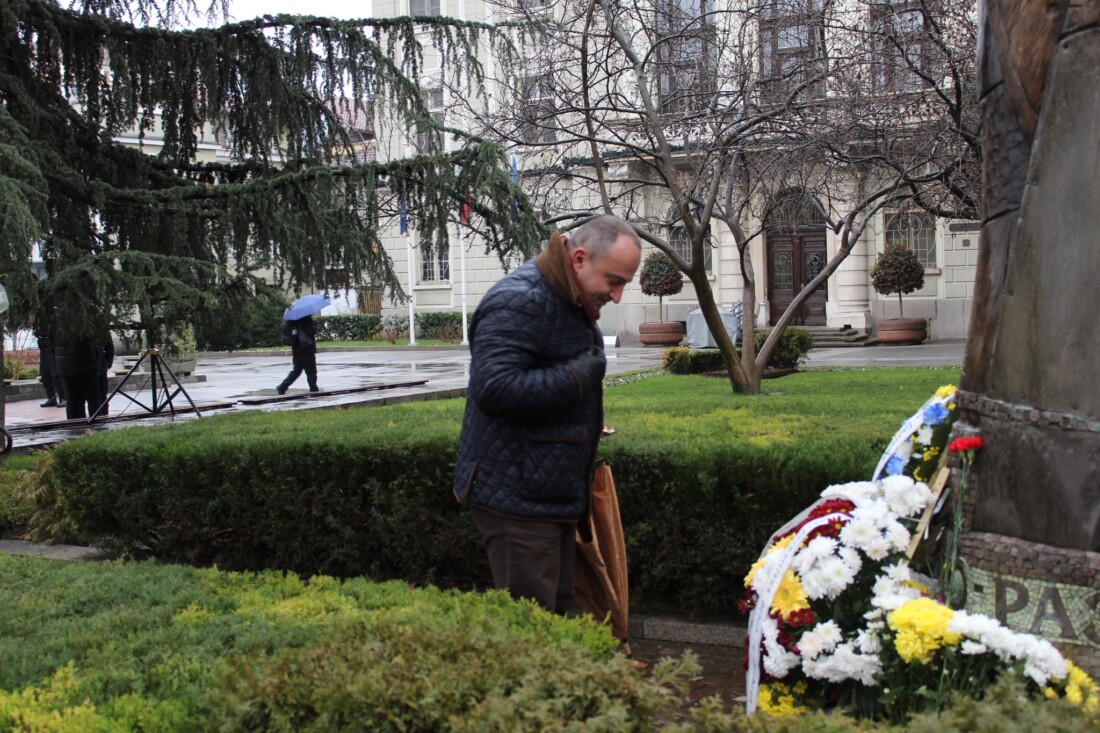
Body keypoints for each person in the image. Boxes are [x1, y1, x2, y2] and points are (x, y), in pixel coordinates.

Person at [452, 214, 642, 614]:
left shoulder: (567, 297)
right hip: (517, 504)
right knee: (533, 629)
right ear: (579, 259)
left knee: (557, 620)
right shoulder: (518, 300)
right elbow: (493, 388)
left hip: (547, 496)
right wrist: (578, 377)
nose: (618, 296)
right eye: (614, 281)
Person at [54, 323, 100, 420]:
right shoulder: (83, 320)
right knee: (93, 397)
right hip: (86, 365)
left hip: (65, 366)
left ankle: (74, 424)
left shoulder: (56, 320)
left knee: (72, 399)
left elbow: (51, 343)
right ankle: (96, 422)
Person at [276, 315, 319, 394]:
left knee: (296, 370)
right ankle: (313, 388)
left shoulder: (291, 320)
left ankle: (282, 386)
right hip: (307, 349)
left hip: (296, 349)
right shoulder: (306, 318)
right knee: (311, 370)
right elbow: (311, 331)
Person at [34, 319, 66, 408]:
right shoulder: (40, 317)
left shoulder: (53, 317)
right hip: (43, 347)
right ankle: (51, 397)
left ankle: (63, 397)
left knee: (55, 374)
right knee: (45, 375)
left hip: (52, 347)